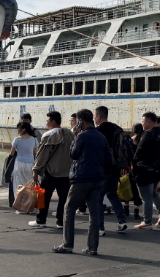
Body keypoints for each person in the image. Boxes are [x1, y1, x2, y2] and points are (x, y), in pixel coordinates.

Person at [53, 109, 112, 256]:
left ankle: (67, 244)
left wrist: (75, 136)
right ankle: (92, 247)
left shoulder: (81, 136)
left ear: (80, 121)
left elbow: (73, 154)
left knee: (69, 208)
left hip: (81, 178)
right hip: (97, 178)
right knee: (94, 212)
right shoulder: (101, 137)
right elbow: (108, 160)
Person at [30, 112, 73, 229]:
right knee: (64, 199)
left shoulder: (48, 135)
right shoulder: (69, 134)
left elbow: (42, 155)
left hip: (50, 172)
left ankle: (41, 220)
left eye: (47, 121)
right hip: (66, 172)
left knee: (44, 197)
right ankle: (61, 221)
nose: (46, 123)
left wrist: (36, 171)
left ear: (53, 122)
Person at [93, 106, 129, 234]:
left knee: (98, 197)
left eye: (95, 116)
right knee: (112, 194)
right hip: (115, 168)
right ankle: (122, 221)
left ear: (98, 116)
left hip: (102, 168)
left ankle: (100, 227)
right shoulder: (117, 129)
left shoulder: (97, 132)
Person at [132, 112, 160, 230]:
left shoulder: (147, 135)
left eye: (143, 121)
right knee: (153, 193)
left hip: (145, 170)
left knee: (146, 197)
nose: (142, 123)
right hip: (156, 169)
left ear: (148, 122)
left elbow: (139, 153)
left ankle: (147, 221)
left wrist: (132, 165)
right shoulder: (159, 134)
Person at [8, 121, 37, 198]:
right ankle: (28, 205)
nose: (17, 130)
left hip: (19, 164)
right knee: (29, 185)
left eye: (18, 129)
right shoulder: (34, 140)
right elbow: (37, 153)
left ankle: (19, 206)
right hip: (31, 164)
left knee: (18, 185)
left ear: (23, 129)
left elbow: (12, 153)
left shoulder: (17, 140)